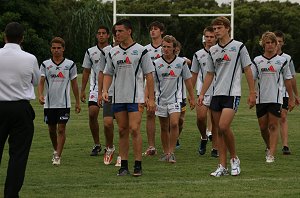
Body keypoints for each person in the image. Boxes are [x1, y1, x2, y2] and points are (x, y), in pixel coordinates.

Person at [198, 16, 256, 177]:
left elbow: (248, 69)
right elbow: (209, 74)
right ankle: (222, 166)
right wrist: (202, 93)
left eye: (219, 28)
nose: (216, 31)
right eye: (214, 28)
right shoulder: (213, 50)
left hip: (233, 93)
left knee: (223, 126)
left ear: (227, 28)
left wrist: (252, 93)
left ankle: (234, 159)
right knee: (218, 131)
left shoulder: (239, 47)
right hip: (216, 94)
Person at [102, 19, 155, 176]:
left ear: (129, 31)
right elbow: (108, 73)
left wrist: (150, 98)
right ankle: (123, 165)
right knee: (122, 130)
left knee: (134, 129)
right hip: (118, 97)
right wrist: (105, 90)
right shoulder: (112, 52)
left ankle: (138, 164)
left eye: (120, 31)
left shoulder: (141, 51)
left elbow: (149, 76)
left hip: (136, 97)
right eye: (115, 32)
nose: (117, 34)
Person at [0, 22, 40, 198]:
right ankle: (11, 194)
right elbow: (36, 81)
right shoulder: (30, 58)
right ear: (22, 38)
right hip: (20, 108)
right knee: (18, 155)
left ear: (4, 36)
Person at [252, 31, 295, 163]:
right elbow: (252, 79)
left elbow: (288, 80)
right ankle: (269, 145)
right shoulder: (257, 61)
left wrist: (292, 98)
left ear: (276, 44)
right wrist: (252, 94)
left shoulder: (282, 61)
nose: (270, 45)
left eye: (272, 43)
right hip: (261, 98)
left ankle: (271, 154)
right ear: (263, 44)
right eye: (267, 43)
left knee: (273, 125)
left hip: (276, 98)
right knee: (263, 127)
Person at [38, 37, 81, 166]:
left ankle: (58, 156)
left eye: (59, 48)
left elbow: (74, 84)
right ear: (51, 49)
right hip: (50, 104)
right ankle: (56, 149)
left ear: (63, 49)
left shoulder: (70, 64)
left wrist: (77, 102)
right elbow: (41, 82)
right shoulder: (45, 64)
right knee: (52, 129)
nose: (56, 50)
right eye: (54, 48)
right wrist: (40, 95)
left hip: (64, 104)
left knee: (61, 129)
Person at [154, 35, 195, 163]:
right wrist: (148, 97)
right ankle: (166, 153)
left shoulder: (181, 62)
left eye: (168, 47)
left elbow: (188, 80)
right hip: (160, 99)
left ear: (174, 48)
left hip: (176, 99)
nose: (165, 49)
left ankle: (171, 152)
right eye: (163, 46)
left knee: (174, 123)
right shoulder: (156, 63)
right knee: (164, 127)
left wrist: (192, 97)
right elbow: (150, 82)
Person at [80, 26, 110, 156]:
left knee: (109, 121)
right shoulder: (90, 51)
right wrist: (82, 90)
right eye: (99, 33)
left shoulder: (113, 50)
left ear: (108, 35)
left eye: (104, 33)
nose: (101, 35)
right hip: (95, 88)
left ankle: (109, 146)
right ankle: (97, 144)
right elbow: (86, 71)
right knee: (92, 114)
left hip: (110, 88)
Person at [191, 26, 218, 157]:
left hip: (218, 90)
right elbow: (194, 73)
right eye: (207, 36)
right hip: (202, 91)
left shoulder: (221, 52)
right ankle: (204, 137)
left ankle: (215, 148)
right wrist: (191, 94)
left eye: (212, 37)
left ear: (216, 38)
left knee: (216, 121)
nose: (209, 39)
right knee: (201, 118)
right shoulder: (198, 54)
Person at [274, 30, 300, 155]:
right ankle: (270, 143)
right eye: (276, 41)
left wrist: (296, 95)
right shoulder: (266, 57)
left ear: (283, 43)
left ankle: (285, 145)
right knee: (271, 120)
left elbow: (292, 78)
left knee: (283, 117)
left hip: (284, 92)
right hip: (270, 94)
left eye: (280, 41)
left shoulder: (287, 58)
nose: (277, 44)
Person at [98, 26, 121, 166]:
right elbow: (102, 72)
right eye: (116, 34)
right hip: (109, 93)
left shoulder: (132, 50)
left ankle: (121, 154)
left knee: (123, 126)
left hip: (124, 94)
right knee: (107, 123)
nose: (118, 36)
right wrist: (101, 91)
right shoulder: (106, 52)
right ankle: (110, 147)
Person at [143, 21, 165, 156]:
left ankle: (168, 146)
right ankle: (151, 146)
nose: (152, 31)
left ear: (161, 31)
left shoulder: (168, 45)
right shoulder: (145, 49)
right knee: (150, 114)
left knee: (168, 119)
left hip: (166, 86)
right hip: (150, 85)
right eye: (151, 29)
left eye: (155, 29)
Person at [174, 40, 191, 149]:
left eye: (177, 49)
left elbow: (189, 61)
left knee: (180, 121)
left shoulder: (182, 61)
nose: (175, 51)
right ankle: (171, 140)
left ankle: (176, 137)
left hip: (181, 96)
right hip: (167, 96)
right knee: (172, 121)